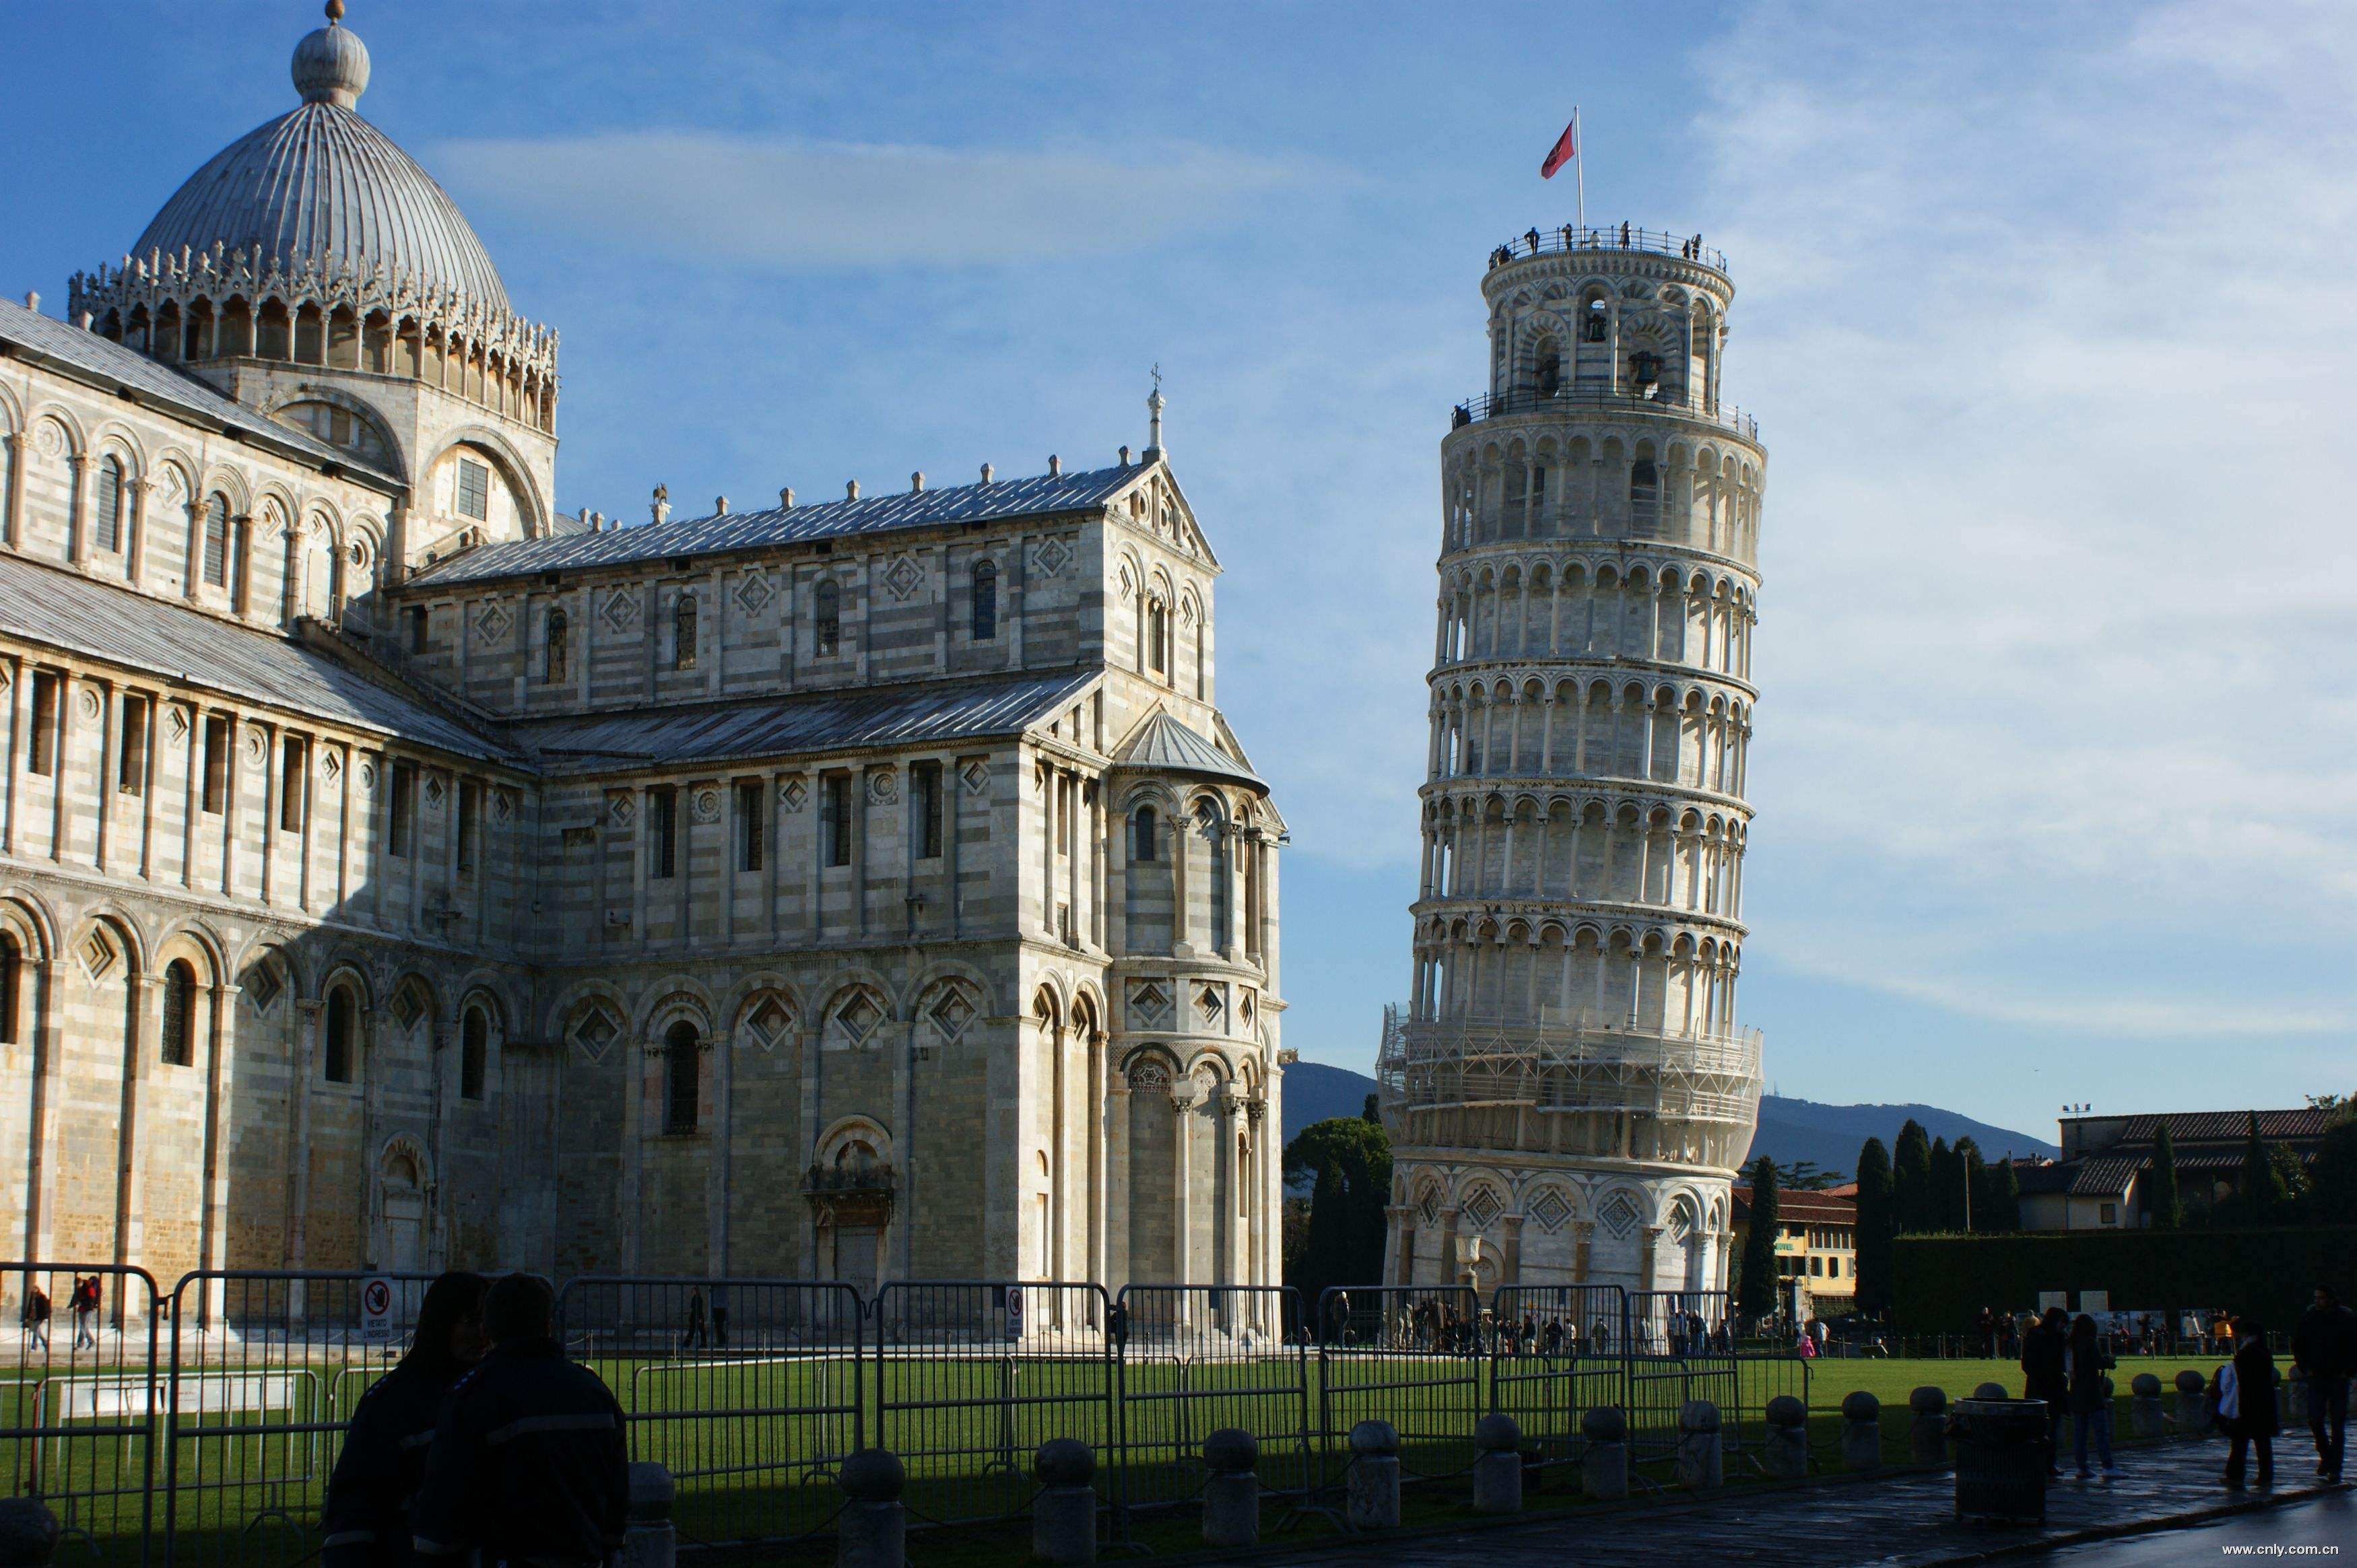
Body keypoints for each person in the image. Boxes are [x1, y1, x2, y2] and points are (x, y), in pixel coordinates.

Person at [411, 1272, 630, 1565]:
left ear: (486, 1329)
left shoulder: (472, 1396)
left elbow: (443, 1508)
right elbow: (617, 1497)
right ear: (548, 1326)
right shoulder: (596, 1393)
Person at [321, 1272, 491, 1568]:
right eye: (470, 1321)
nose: (481, 1334)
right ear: (442, 1324)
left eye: (486, 1322)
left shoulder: (492, 1393)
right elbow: (355, 1506)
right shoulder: (391, 1403)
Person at [2292, 1284, 2355, 1482]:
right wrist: (2305, 1367)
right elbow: (2299, 1344)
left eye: (2321, 1298)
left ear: (2330, 1299)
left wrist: (2348, 1371)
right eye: (2316, 1298)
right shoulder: (2311, 1317)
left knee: (2337, 1423)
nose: (2317, 1301)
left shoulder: (2344, 1318)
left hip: (2337, 1376)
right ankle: (2328, 1457)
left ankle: (2333, 1463)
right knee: (2315, 1419)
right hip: (2318, 1375)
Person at [2220, 1317, 2280, 1489]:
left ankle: (2235, 1475)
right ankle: (2265, 1475)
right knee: (2262, 1441)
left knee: (2239, 1440)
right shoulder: (2264, 1351)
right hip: (2263, 1400)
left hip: (2247, 1401)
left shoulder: (2246, 1353)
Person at [2066, 1313, 2118, 1478]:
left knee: (2080, 1433)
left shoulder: (2071, 1343)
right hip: (2091, 1390)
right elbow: (2098, 1363)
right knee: (2101, 1431)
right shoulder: (2089, 1342)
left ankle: (2082, 1466)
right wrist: (2109, 1361)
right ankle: (2107, 1466)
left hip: (2076, 1390)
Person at [2022, 1306, 2071, 1474]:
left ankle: (2039, 1462)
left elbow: (2027, 1364)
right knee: (2050, 1428)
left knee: (2042, 1428)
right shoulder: (2056, 1337)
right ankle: (2047, 1462)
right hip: (2051, 1387)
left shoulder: (2035, 1335)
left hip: (2038, 1386)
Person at [71, 1275, 100, 1350]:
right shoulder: (79, 1289)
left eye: (78, 1285)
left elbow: (91, 1300)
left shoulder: (90, 1288)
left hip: (88, 1310)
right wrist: (71, 1304)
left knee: (84, 1326)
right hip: (82, 1309)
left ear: (81, 1283)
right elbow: (75, 1296)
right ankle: (86, 1342)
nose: (77, 1287)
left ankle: (85, 1343)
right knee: (83, 1326)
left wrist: (82, 1301)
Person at [21, 1284, 51, 1353]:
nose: (34, 1290)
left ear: (38, 1289)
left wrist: (46, 1317)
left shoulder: (42, 1297)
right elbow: (30, 1307)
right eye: (33, 1289)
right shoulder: (32, 1297)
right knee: (37, 1332)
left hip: (40, 1317)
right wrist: (27, 1317)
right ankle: (46, 1344)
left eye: (35, 1289)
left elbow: (45, 1308)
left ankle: (34, 1347)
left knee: (35, 1331)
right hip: (34, 1318)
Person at [681, 1285, 707, 1351]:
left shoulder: (697, 1299)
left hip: (697, 1317)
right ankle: (702, 1343)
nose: (692, 1292)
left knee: (695, 1330)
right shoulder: (697, 1298)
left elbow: (698, 1309)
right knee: (697, 1330)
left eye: (693, 1291)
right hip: (696, 1317)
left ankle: (688, 1343)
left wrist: (699, 1318)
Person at [708, 1284, 729, 1350]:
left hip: (717, 1308)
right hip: (722, 1308)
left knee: (718, 1326)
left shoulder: (714, 1286)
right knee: (719, 1326)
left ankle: (721, 1341)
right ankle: (723, 1339)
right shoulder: (724, 1287)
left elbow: (710, 1290)